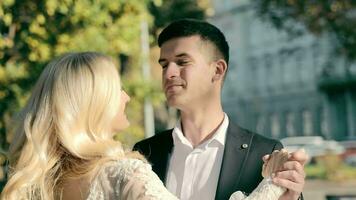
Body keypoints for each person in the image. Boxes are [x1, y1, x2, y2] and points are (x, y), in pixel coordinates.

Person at [133, 19, 307, 200]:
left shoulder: (262, 154)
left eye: (182, 62)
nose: (169, 73)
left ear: (217, 70)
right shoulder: (144, 153)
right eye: (164, 65)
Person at [0, 52, 178, 200]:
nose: (126, 97)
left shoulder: (35, 186)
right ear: (95, 103)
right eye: (117, 88)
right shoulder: (127, 177)